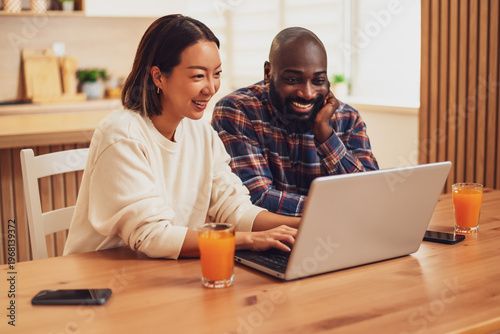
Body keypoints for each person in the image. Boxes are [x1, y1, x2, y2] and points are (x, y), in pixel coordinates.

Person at [63, 15, 299, 260]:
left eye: (216, 74)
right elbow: (152, 236)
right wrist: (249, 240)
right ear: (158, 77)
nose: (210, 88)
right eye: (198, 76)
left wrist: (301, 225)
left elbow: (234, 209)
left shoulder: (202, 134)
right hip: (99, 281)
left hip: (161, 273)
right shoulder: (122, 134)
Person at [212, 27, 379, 217]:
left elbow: (369, 195)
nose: (307, 93)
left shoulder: (348, 118)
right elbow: (255, 197)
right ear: (268, 72)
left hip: (338, 239)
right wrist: (339, 209)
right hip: (265, 242)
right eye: (293, 79)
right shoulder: (237, 110)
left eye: (318, 80)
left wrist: (325, 136)